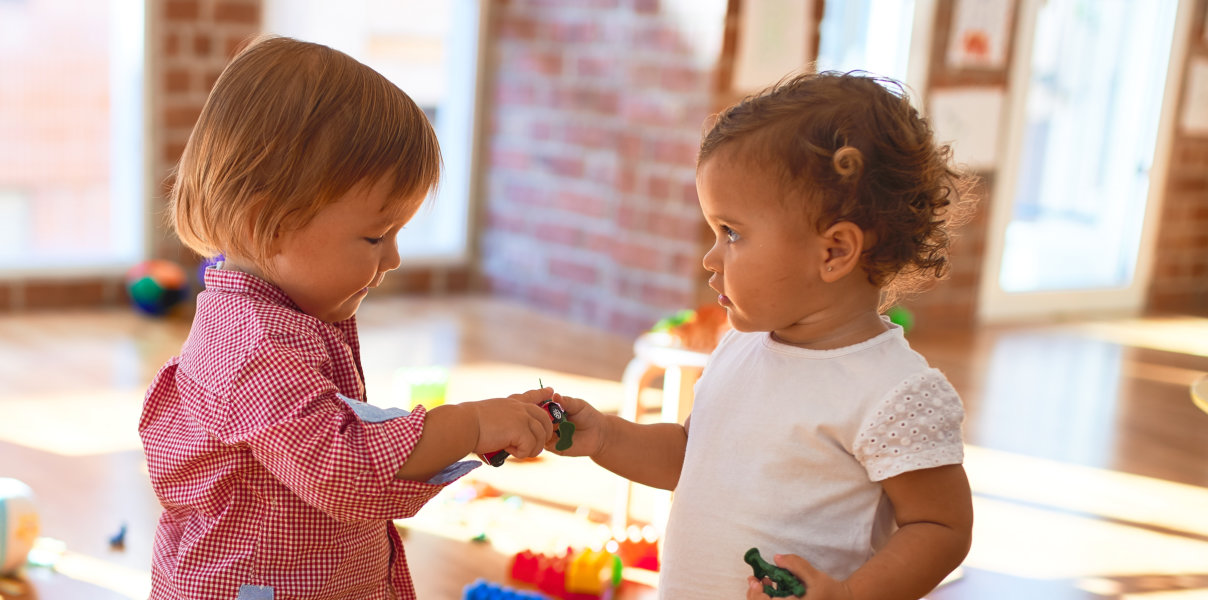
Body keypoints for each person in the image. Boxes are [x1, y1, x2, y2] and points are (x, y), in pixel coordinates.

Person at [139, 36, 556, 599]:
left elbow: (349, 433)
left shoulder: (288, 313)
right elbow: (347, 465)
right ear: (273, 222)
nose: (393, 259)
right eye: (376, 236)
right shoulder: (254, 346)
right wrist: (471, 425)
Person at [551, 71, 978, 600]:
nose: (710, 257)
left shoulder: (895, 392)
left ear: (834, 252)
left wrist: (847, 596)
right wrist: (605, 437)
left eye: (732, 233)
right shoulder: (741, 345)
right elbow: (692, 455)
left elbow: (940, 529)